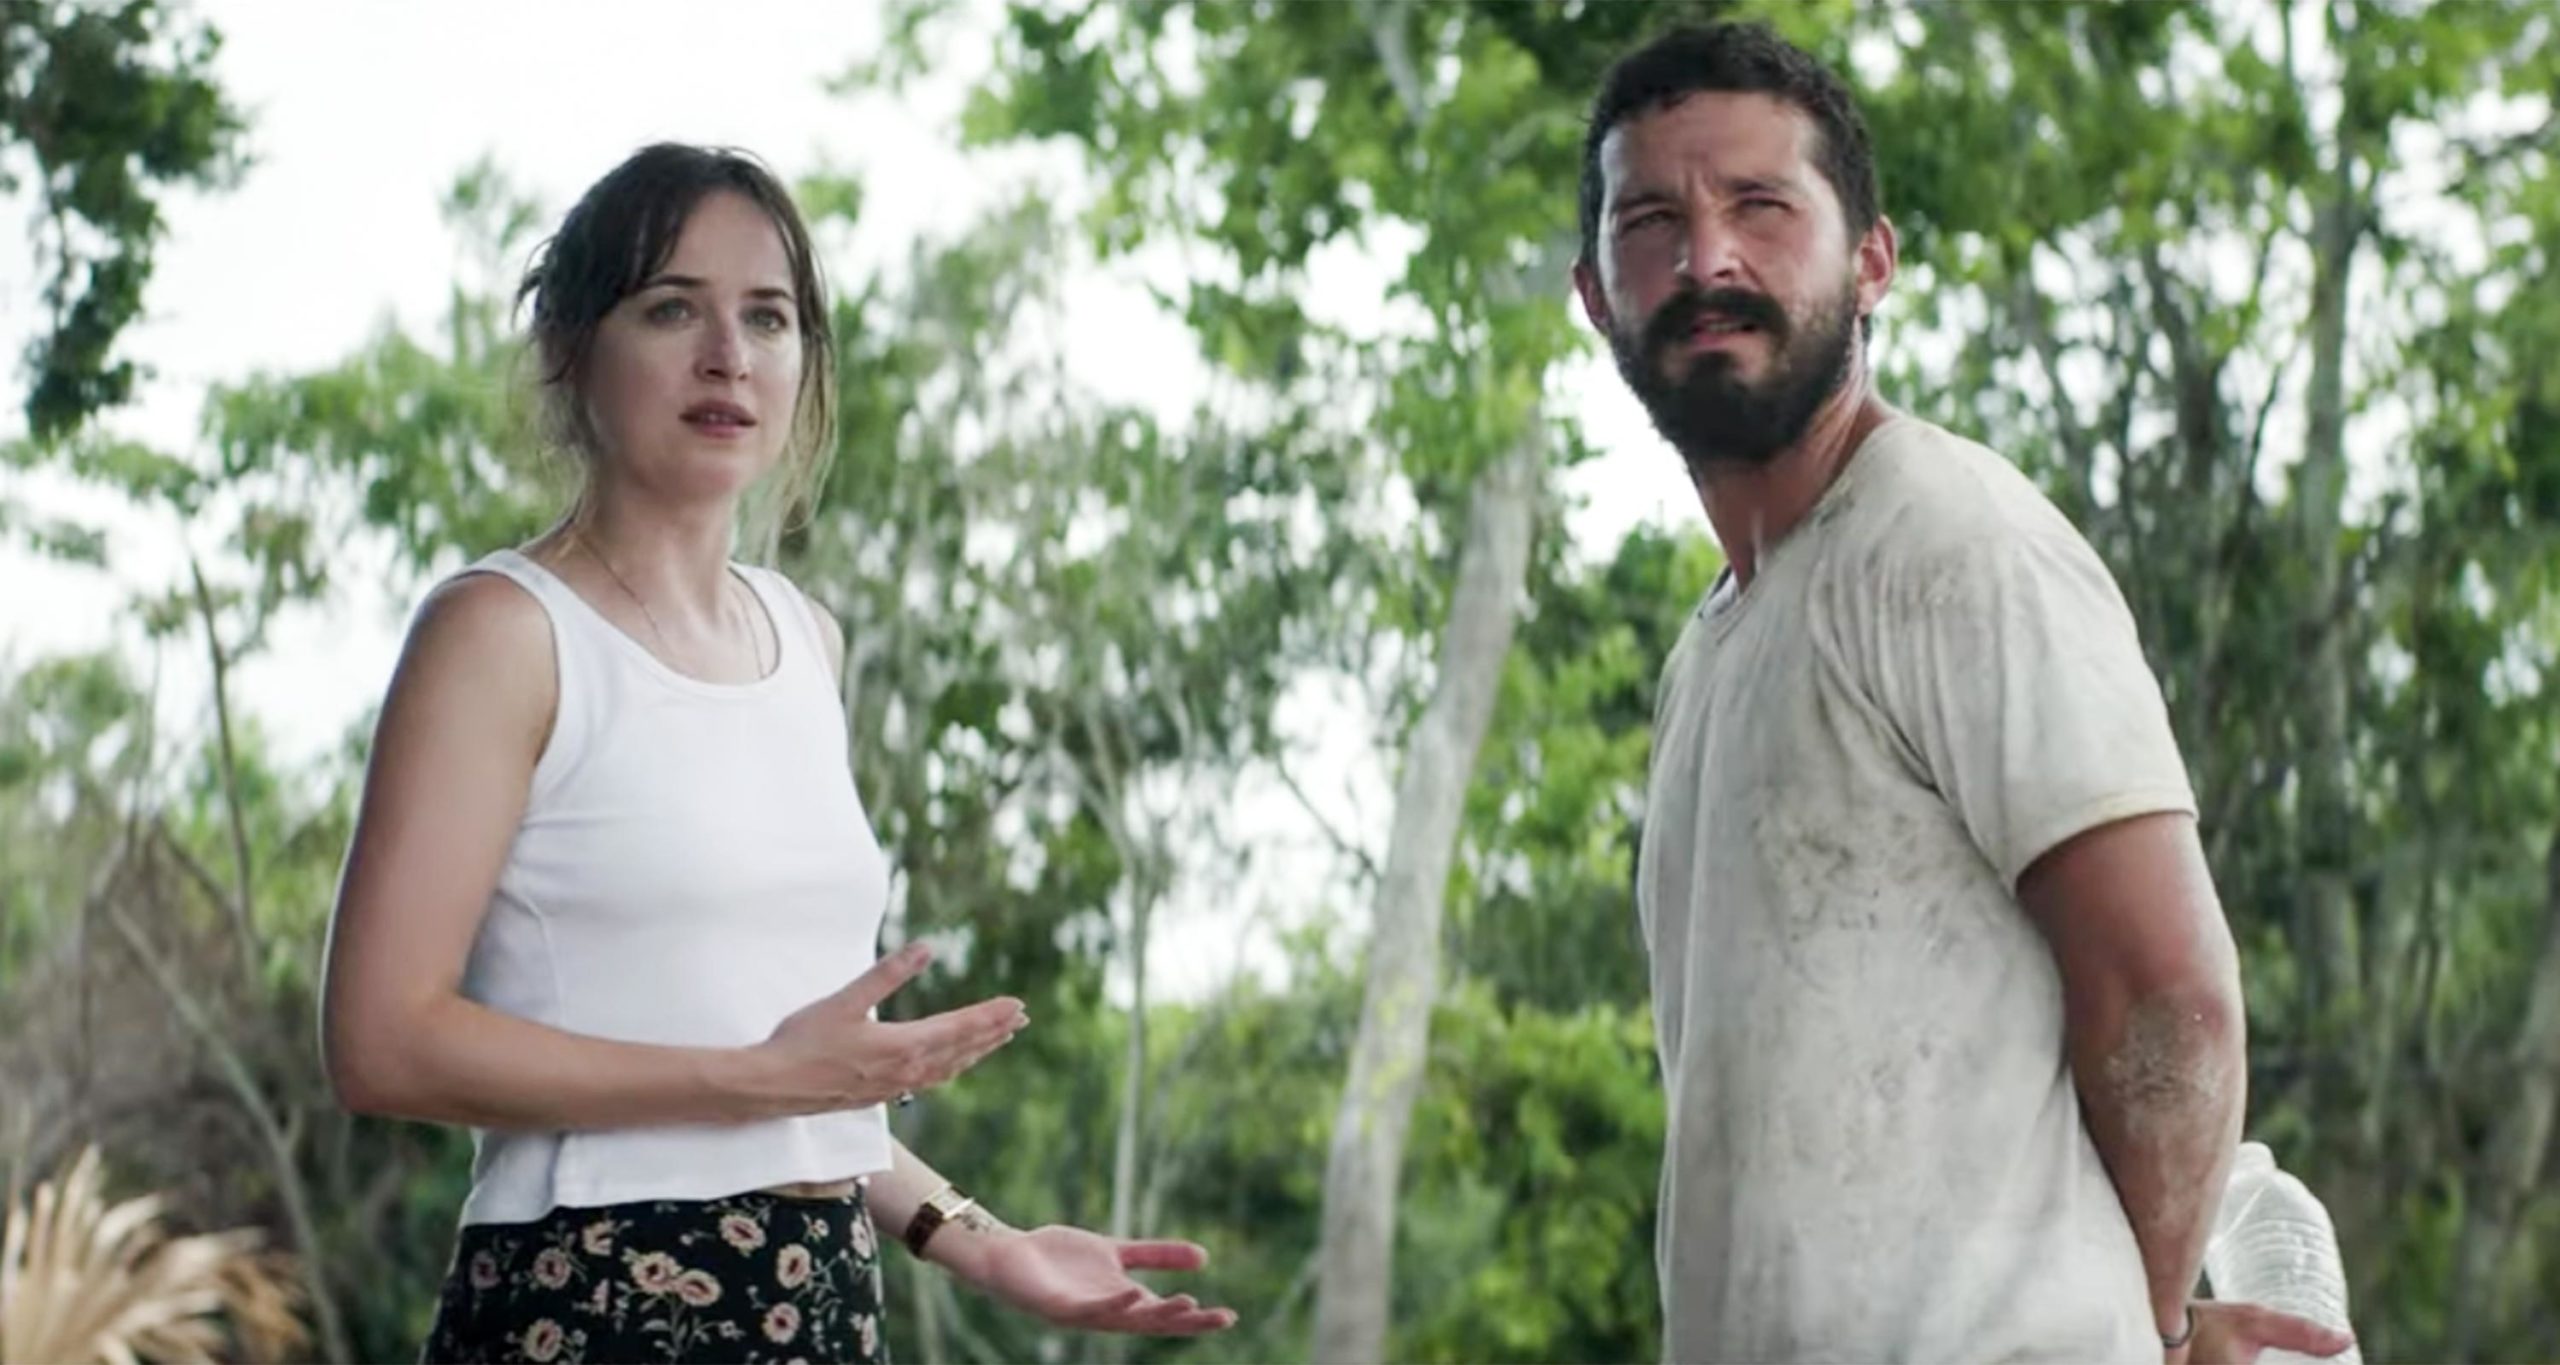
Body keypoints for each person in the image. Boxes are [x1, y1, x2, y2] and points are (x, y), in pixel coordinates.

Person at [319, 143, 1236, 1364]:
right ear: (571, 348)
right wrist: (757, 1081)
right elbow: (381, 1042)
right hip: (587, 1304)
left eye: (768, 316)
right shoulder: (502, 633)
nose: (728, 356)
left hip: (821, 1301)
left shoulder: (807, 641)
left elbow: (798, 1083)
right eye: (671, 309)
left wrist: (974, 1238)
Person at [1572, 24, 2359, 1365]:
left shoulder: (1950, 540)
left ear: (1871, 261)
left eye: (1761, 206)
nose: (1708, 260)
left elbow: (2168, 1003)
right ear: (1596, 294)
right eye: (1652, 222)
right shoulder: (1712, 652)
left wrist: (2157, 1328)